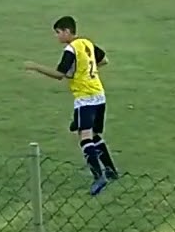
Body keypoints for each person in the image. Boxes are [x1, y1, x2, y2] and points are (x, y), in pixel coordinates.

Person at [24, 16, 119, 195]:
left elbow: (59, 74)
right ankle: (111, 169)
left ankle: (99, 176)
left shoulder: (71, 49)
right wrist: (84, 70)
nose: (57, 37)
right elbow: (104, 60)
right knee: (95, 134)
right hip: (99, 94)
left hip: (85, 96)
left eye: (58, 33)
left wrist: (35, 67)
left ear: (67, 31)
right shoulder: (87, 43)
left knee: (85, 138)